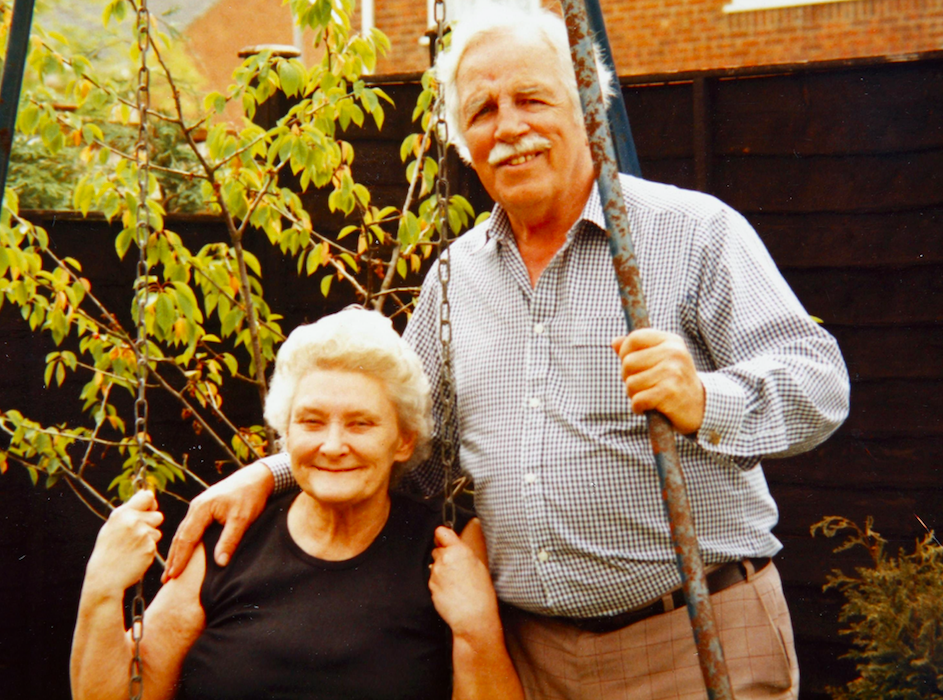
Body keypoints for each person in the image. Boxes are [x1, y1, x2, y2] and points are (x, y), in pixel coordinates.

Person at [162, 5, 850, 699]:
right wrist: (275, 473)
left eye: (531, 98)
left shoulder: (689, 234)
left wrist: (703, 400)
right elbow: (405, 438)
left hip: (692, 635)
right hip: (531, 658)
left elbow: (817, 383)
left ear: (587, 105)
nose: (509, 127)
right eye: (483, 110)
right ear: (463, 140)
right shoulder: (456, 278)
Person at [71, 308, 524, 700]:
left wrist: (477, 629)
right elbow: (124, 692)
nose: (332, 445)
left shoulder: (446, 546)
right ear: (286, 434)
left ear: (403, 440)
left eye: (360, 424)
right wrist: (102, 589)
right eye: (311, 422)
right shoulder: (230, 540)